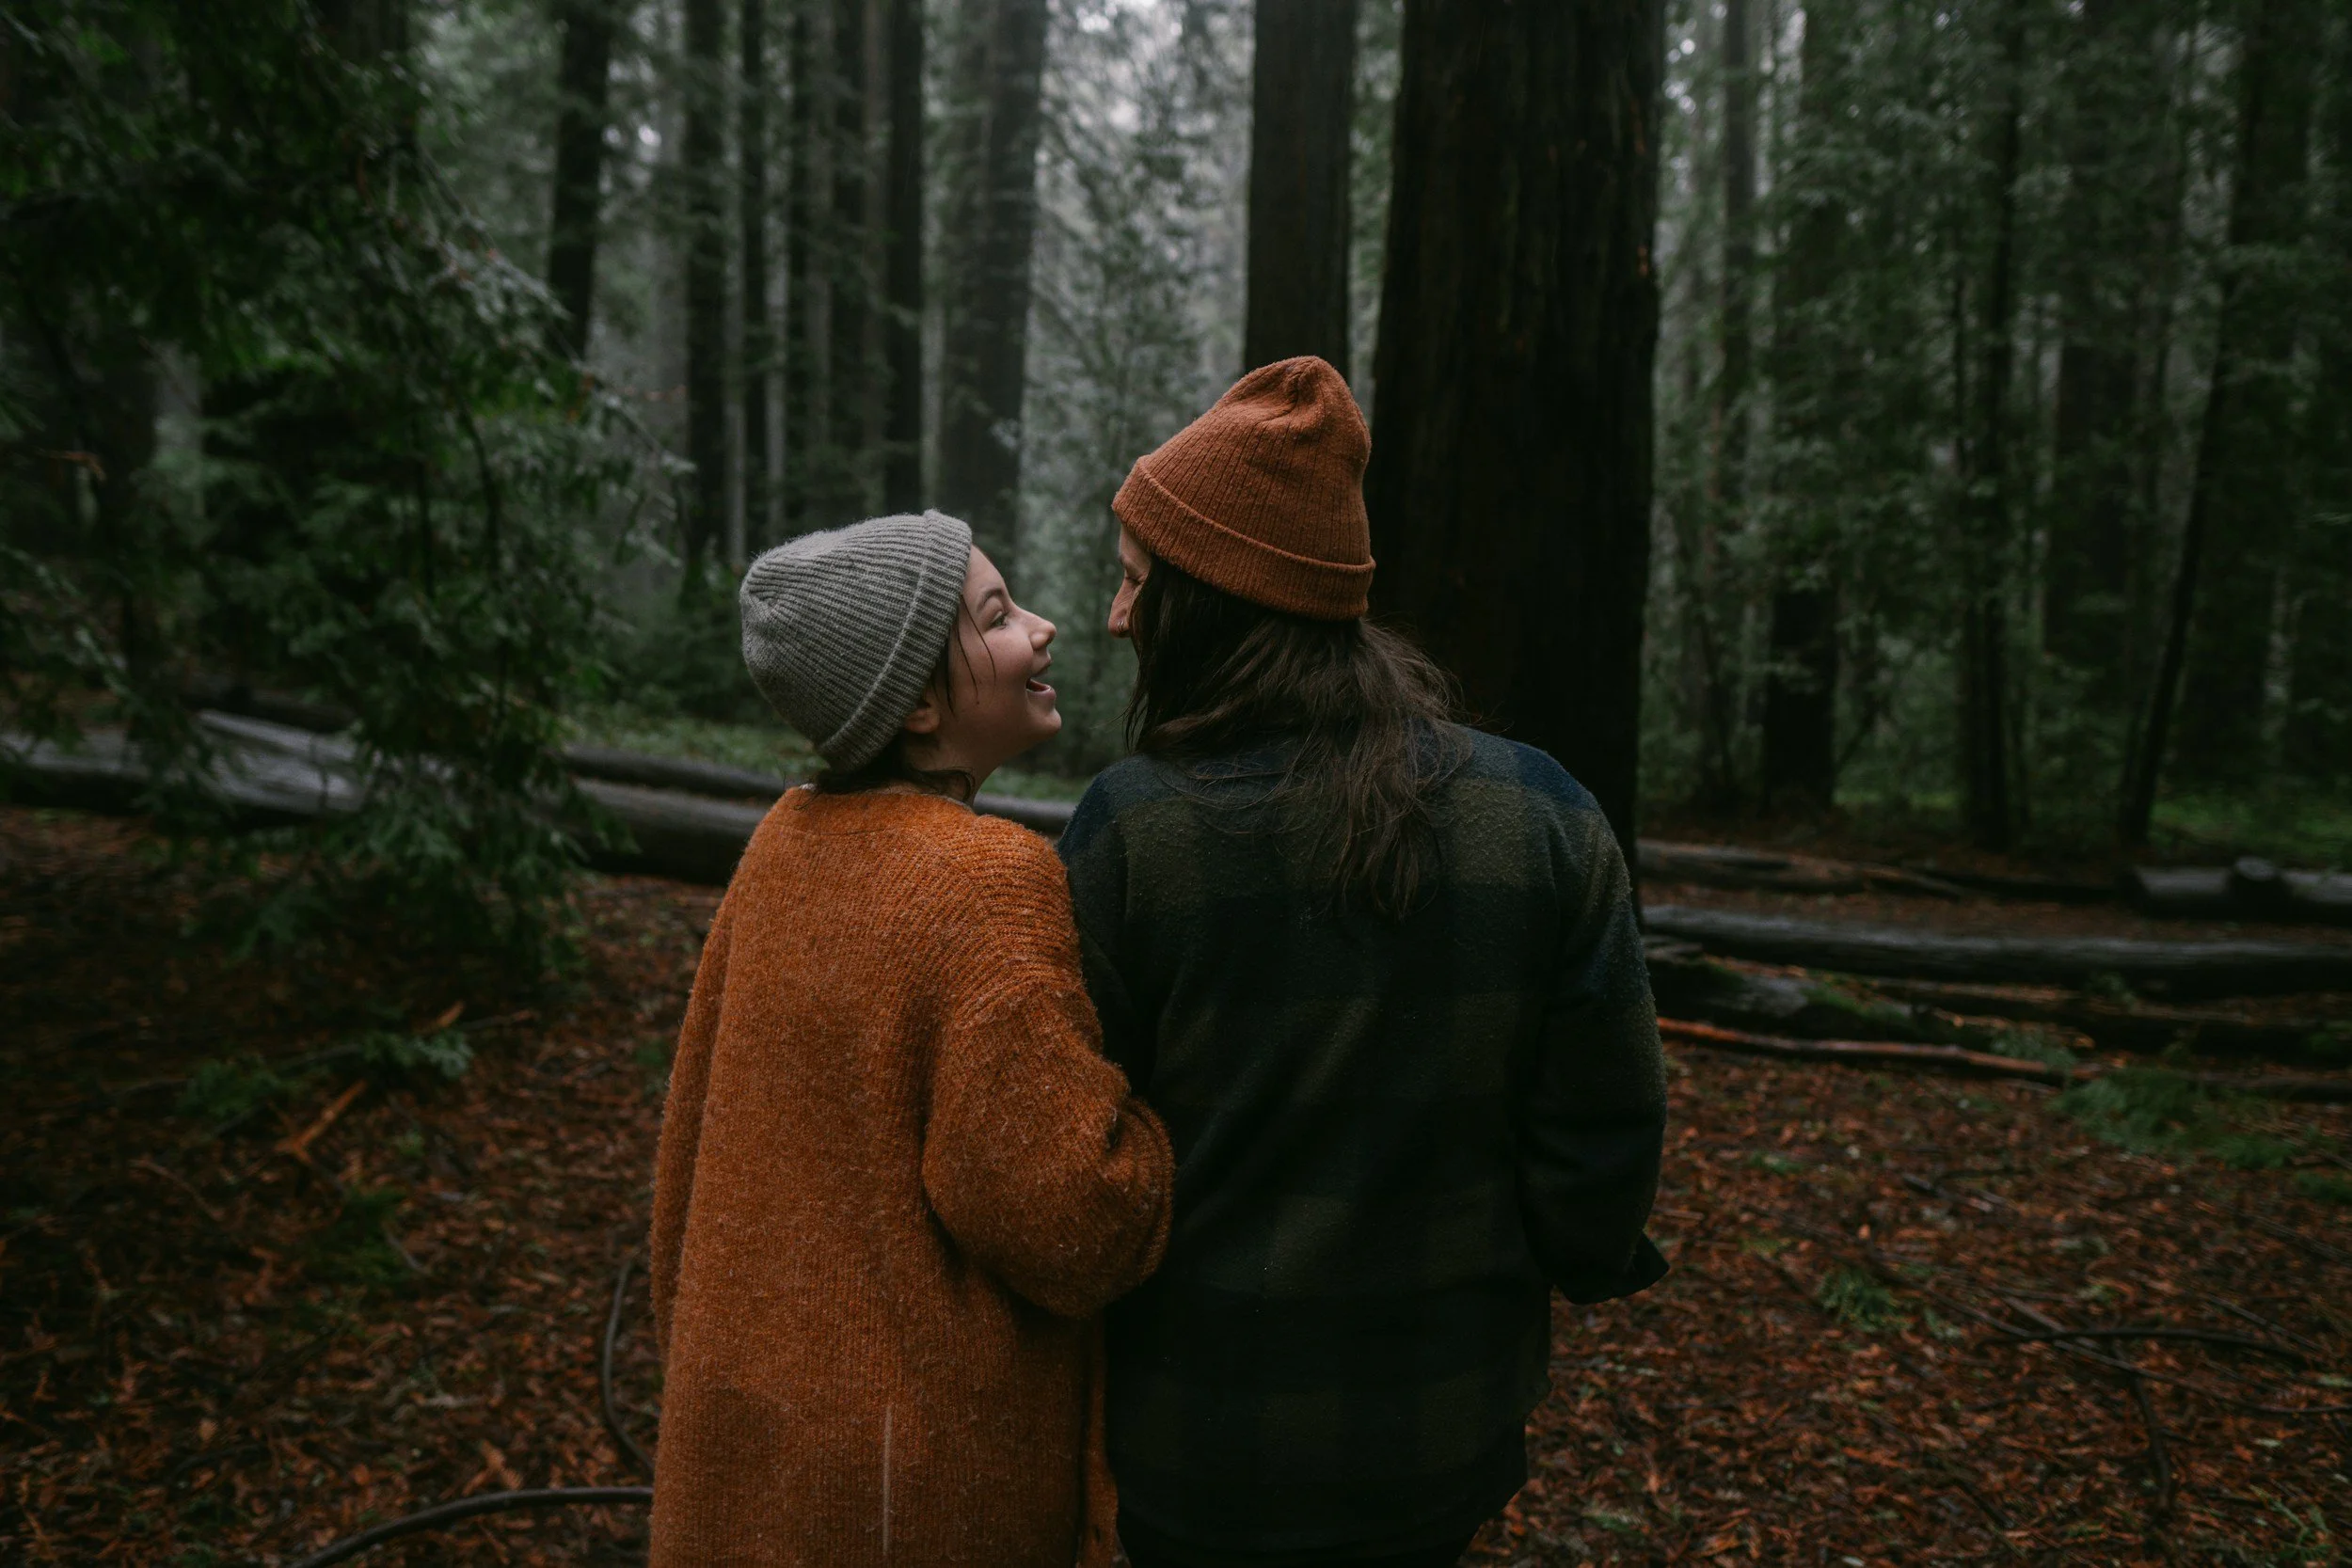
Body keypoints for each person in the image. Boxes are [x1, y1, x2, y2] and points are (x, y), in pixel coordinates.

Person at [1057, 358, 1668, 1568]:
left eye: (1137, 585)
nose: (1118, 616)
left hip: (1195, 1435)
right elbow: (1606, 1127)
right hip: (1441, 1428)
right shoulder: (1545, 812)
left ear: (1216, 601)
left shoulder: (1134, 830)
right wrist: (1569, 1258)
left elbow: (1074, 1148)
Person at [646, 510, 1174, 1568]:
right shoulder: (985, 877)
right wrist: (1157, 1133)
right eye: (997, 615)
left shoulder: (781, 844)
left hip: (739, 1450)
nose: (1046, 626)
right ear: (921, 701)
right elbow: (1067, 1216)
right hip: (906, 1489)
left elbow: (686, 1162)